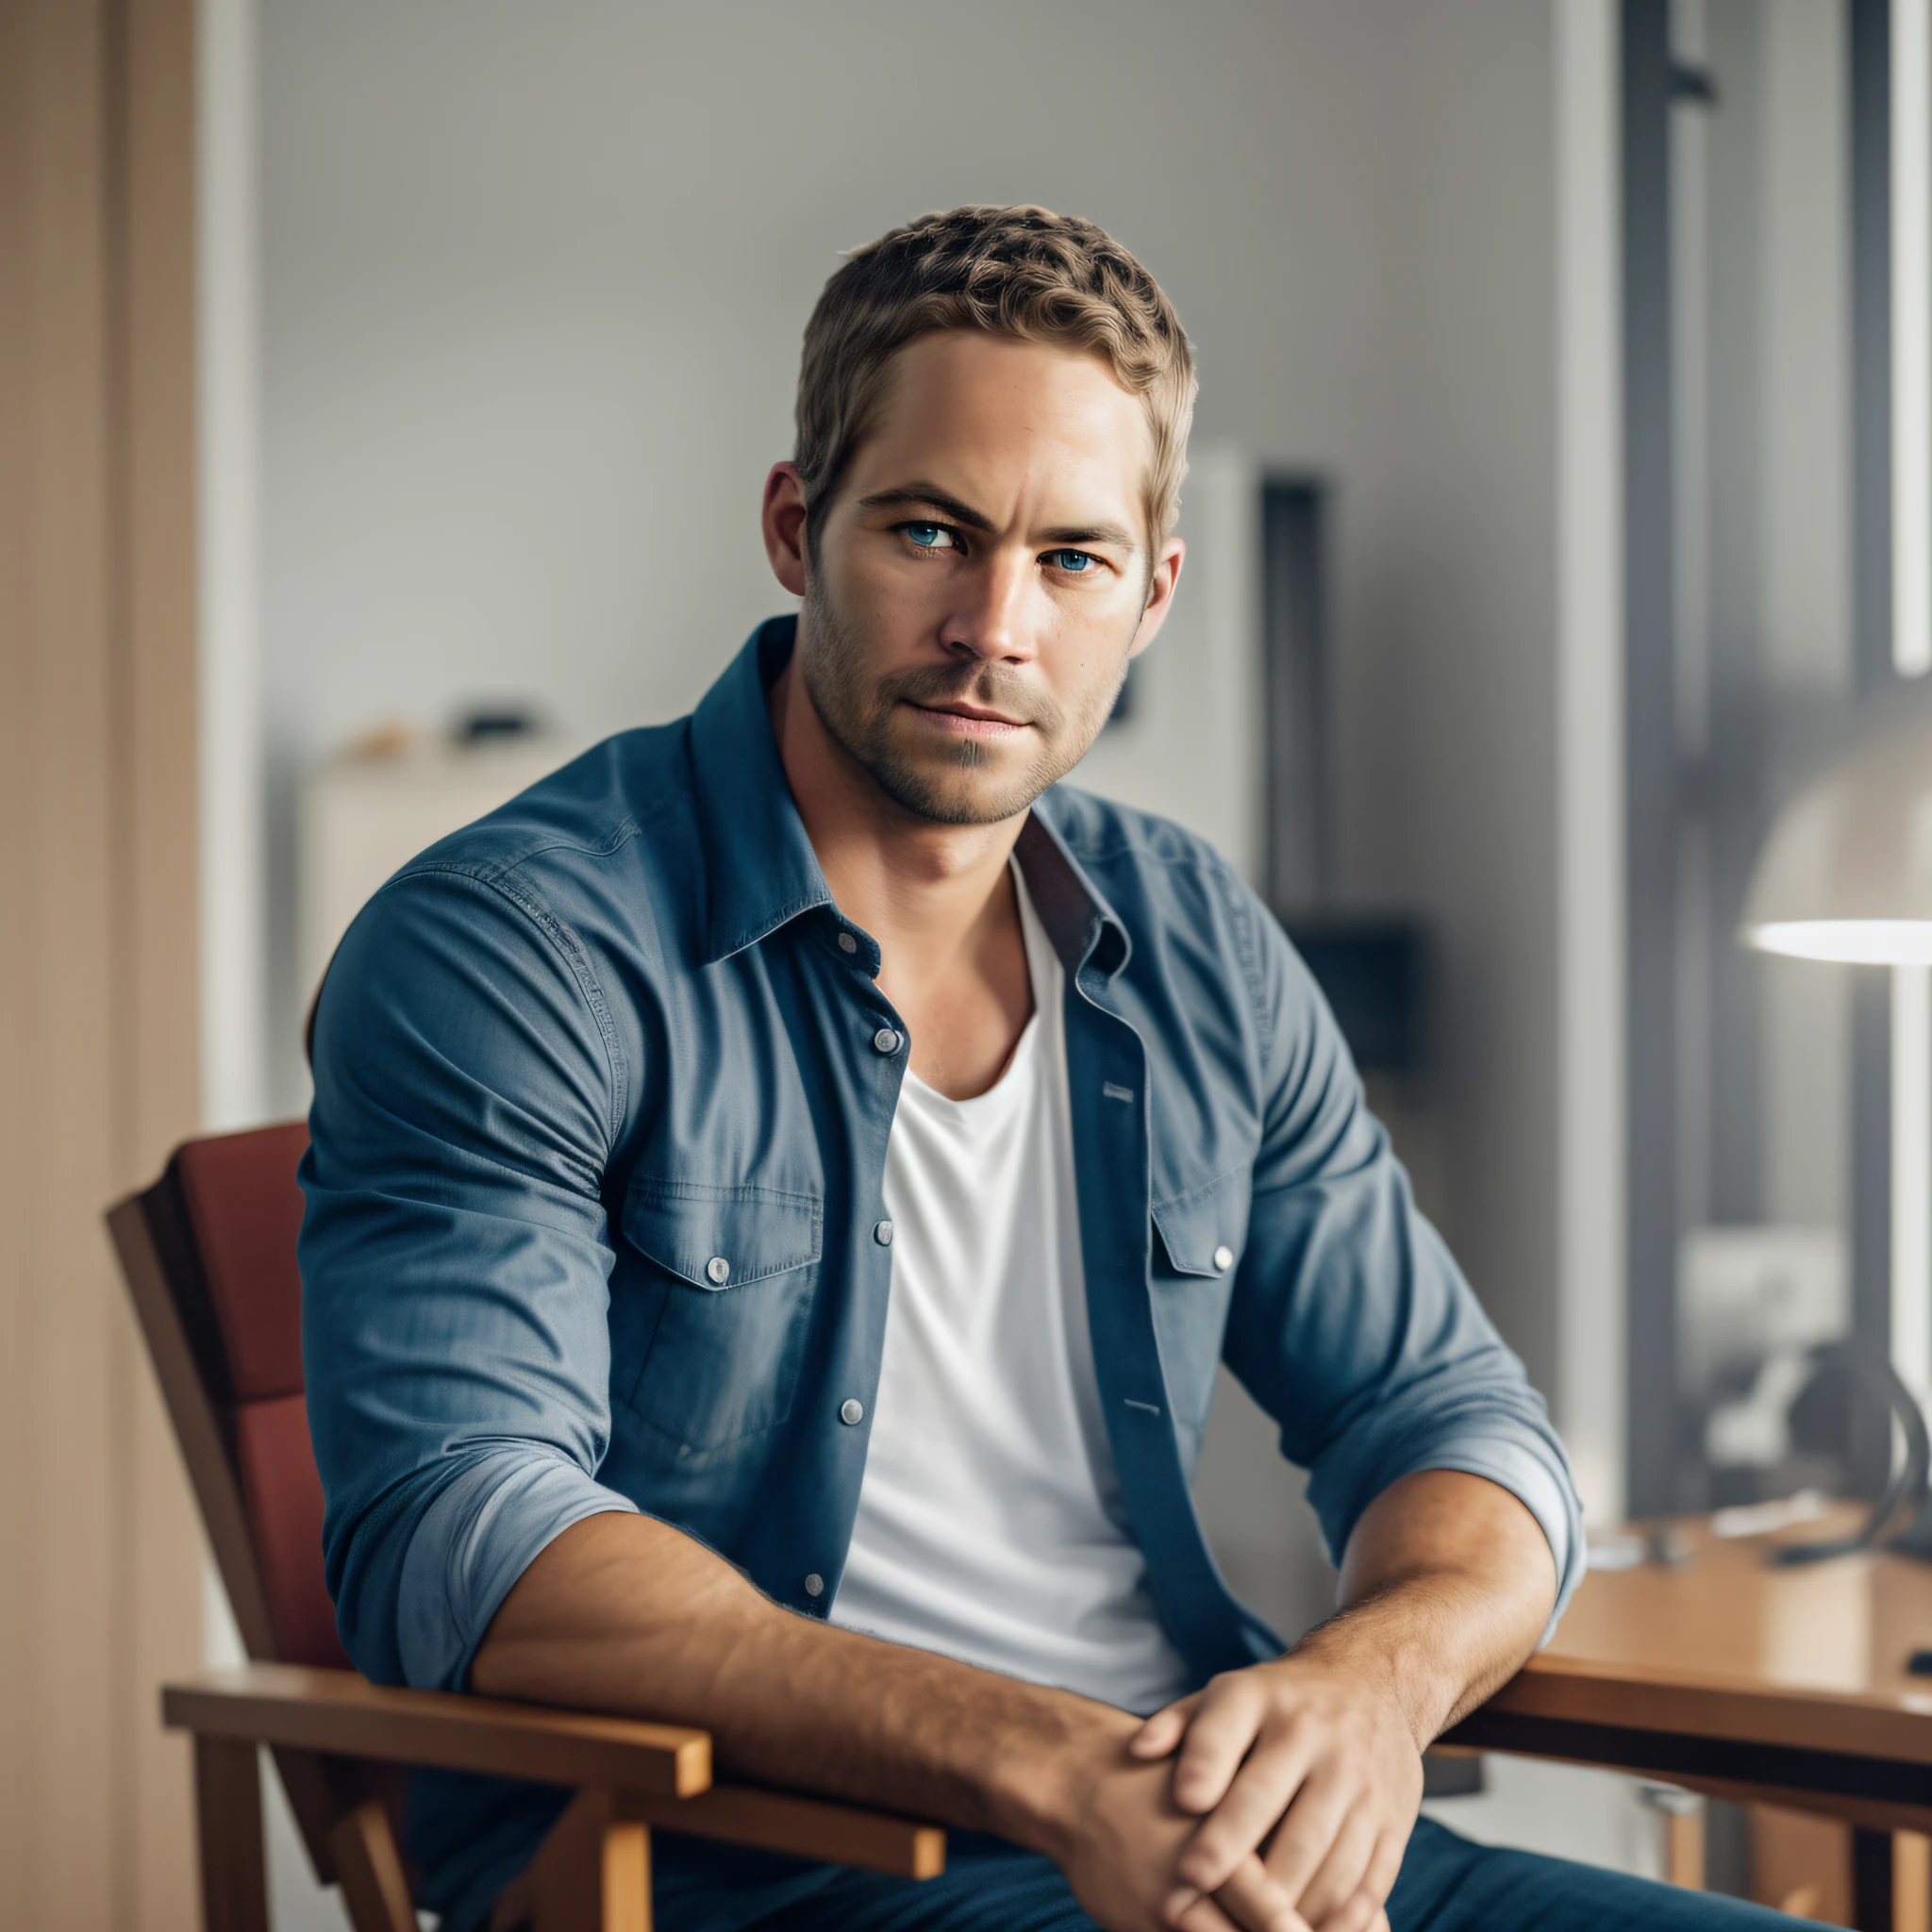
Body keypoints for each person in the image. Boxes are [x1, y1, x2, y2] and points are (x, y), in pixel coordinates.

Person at [301, 206, 1797, 1932]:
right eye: (931, 532)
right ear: (797, 528)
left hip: (1190, 1826)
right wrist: (1050, 1763)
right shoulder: (513, 946)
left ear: (1152, 596)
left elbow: (1449, 1417)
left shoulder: (1192, 938)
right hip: (737, 1866)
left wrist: (1367, 1692)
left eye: (1072, 559)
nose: (995, 625)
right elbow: (464, 1526)